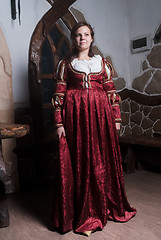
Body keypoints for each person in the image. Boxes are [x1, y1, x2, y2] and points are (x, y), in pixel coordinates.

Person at [51, 21, 136, 236]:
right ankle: (84, 213)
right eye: (78, 35)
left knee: (101, 159)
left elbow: (111, 93)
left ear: (92, 38)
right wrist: (59, 123)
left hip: (101, 118)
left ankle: (103, 206)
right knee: (80, 160)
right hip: (75, 118)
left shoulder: (102, 64)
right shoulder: (65, 65)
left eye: (86, 34)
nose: (82, 38)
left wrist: (116, 118)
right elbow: (59, 96)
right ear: (73, 39)